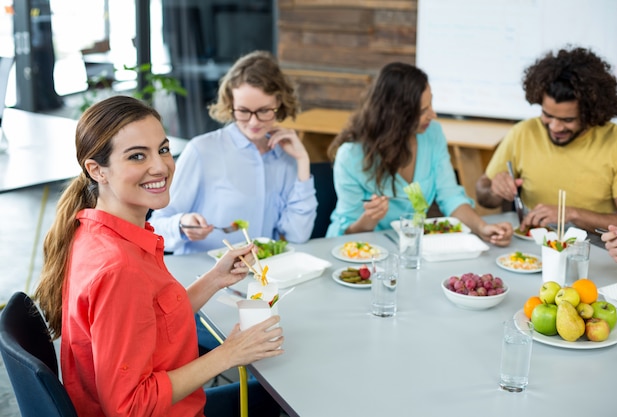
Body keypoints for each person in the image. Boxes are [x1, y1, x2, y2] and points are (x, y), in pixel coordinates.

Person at [33, 95, 282, 417]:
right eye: (137, 156)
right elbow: (129, 406)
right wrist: (228, 354)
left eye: (163, 149)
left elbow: (151, 321)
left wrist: (214, 279)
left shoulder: (100, 233)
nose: (160, 166)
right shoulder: (119, 269)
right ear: (97, 171)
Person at [325, 62, 513, 246]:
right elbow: (347, 232)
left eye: (431, 104)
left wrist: (482, 227)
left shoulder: (432, 134)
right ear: (396, 116)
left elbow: (450, 196)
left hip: (411, 248)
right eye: (423, 110)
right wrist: (370, 218)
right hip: (362, 251)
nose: (433, 114)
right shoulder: (351, 156)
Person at [149, 50, 318, 255]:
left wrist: (302, 161)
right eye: (244, 111)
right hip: (202, 277)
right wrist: (181, 225)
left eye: (264, 110)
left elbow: (298, 235)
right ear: (231, 105)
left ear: (279, 104)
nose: (254, 122)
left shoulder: (285, 157)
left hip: (260, 277)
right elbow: (155, 227)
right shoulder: (201, 150)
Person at [476, 46, 617, 233]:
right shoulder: (524, 132)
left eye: (567, 120)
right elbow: (483, 195)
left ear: (592, 114)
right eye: (547, 115)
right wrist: (494, 190)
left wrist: (572, 214)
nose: (555, 127)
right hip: (532, 245)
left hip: (593, 247)